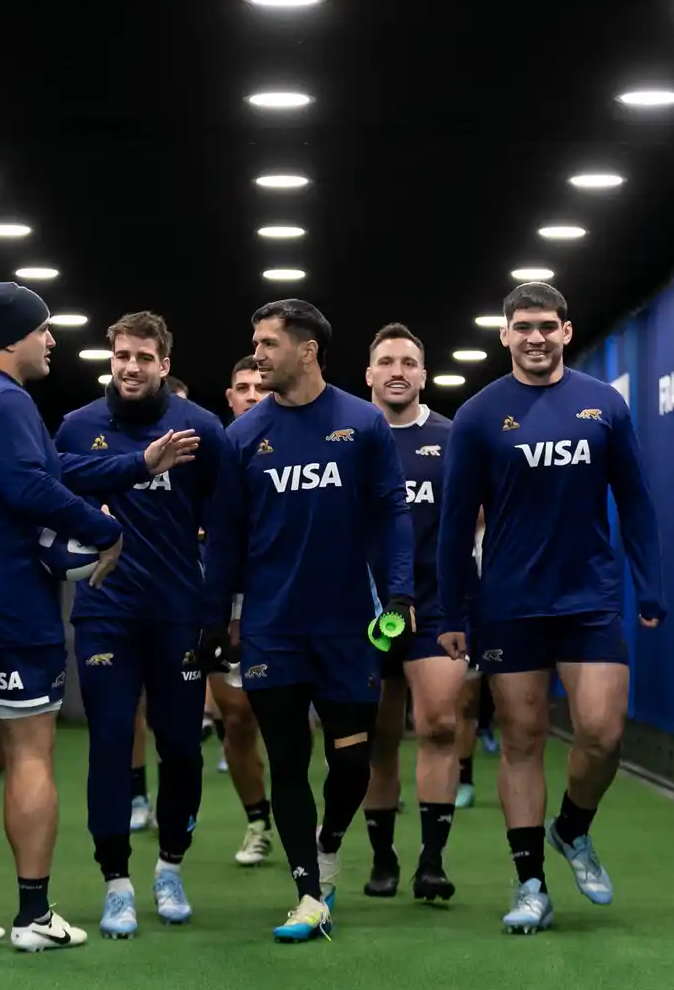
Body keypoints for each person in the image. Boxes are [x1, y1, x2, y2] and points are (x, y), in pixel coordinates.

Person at [0, 282, 198, 953]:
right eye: (42, 330)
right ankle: (33, 916)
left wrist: (134, 464)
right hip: (1, 608)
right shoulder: (6, 400)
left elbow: (49, 466)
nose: (52, 341)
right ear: (13, 336)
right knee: (30, 754)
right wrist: (104, 532)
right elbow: (31, 487)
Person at [436, 281, 664, 935]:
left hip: (589, 598)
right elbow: (455, 524)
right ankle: (530, 881)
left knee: (602, 732)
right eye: (522, 326)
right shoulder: (480, 415)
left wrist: (650, 586)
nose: (535, 337)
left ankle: (573, 828)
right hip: (510, 602)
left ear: (566, 330)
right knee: (522, 741)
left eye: (547, 325)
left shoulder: (604, 406)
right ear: (504, 335)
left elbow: (638, 500)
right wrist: (453, 613)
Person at [198, 299, 415, 942]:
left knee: (352, 764)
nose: (257, 355)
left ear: (308, 348)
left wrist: (399, 593)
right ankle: (308, 893)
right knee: (288, 760)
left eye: (268, 344)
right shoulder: (241, 437)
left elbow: (390, 515)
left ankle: (329, 842)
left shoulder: (363, 423)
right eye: (256, 342)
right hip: (272, 628)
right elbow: (225, 539)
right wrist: (215, 619)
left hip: (347, 626)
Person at [54, 312, 229, 937]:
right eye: (122, 355)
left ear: (164, 363)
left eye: (144, 357)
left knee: (181, 747)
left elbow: (227, 519)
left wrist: (220, 608)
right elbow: (53, 484)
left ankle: (170, 867)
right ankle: (117, 884)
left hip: (178, 614)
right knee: (107, 742)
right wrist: (139, 465)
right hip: (106, 612)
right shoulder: (78, 427)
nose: (131, 367)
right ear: (111, 357)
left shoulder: (201, 429)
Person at [356, 323, 465, 902]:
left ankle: (432, 859)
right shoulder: (348, 437)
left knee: (441, 725)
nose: (397, 370)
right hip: (365, 612)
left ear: (424, 374)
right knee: (377, 736)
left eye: (408, 361)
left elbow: (477, 517)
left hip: (437, 608)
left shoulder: (452, 438)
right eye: (386, 362)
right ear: (369, 373)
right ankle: (382, 857)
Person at [203, 354, 275, 866]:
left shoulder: (305, 445)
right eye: (242, 387)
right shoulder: (207, 454)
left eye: (260, 386)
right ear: (229, 398)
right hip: (222, 602)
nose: (251, 394)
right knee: (238, 720)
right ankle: (257, 820)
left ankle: (307, 817)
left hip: (284, 600)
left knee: (290, 717)